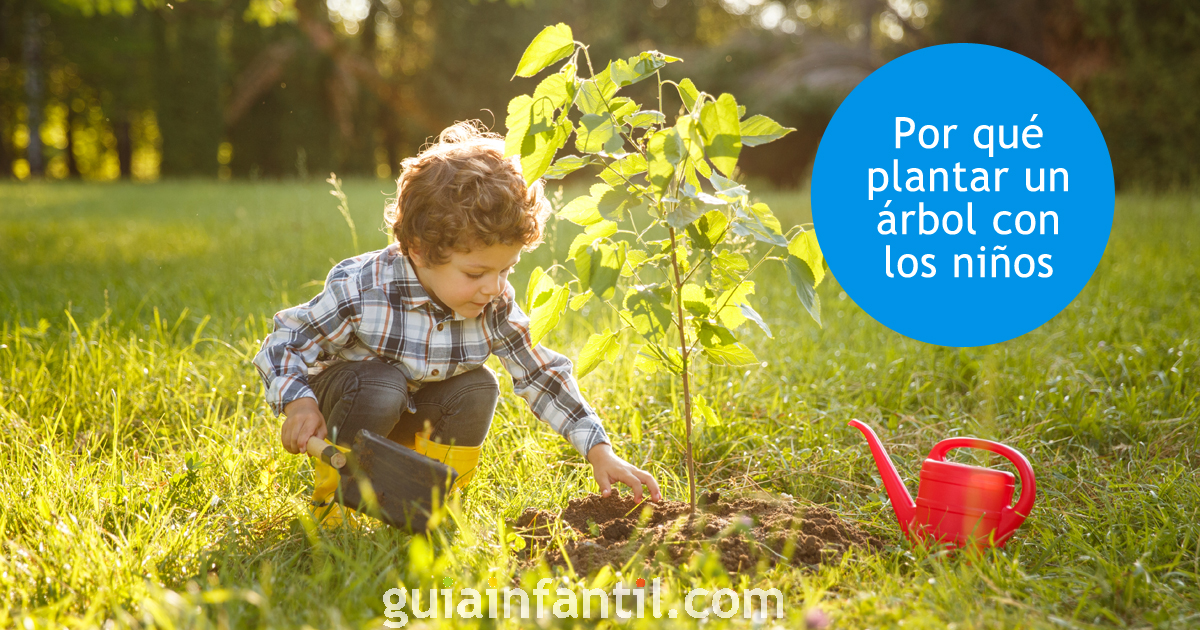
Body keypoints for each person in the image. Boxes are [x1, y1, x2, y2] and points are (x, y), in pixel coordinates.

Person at [253, 121, 661, 524]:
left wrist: (599, 451)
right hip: (354, 405)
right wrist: (299, 403)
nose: (493, 288)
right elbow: (286, 340)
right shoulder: (365, 291)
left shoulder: (494, 305)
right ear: (419, 249)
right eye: (475, 274)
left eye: (507, 271)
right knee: (382, 385)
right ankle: (338, 505)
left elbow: (541, 374)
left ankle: (430, 503)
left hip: (415, 414)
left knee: (478, 386)